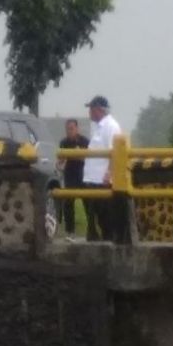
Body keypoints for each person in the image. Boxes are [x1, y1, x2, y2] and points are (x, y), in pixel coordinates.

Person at [82, 96, 121, 241]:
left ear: (99, 109)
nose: (89, 112)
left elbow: (115, 152)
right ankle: (98, 241)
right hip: (93, 180)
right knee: (95, 217)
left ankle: (108, 242)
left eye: (91, 109)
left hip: (102, 181)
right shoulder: (99, 127)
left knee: (105, 218)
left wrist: (109, 173)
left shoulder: (111, 126)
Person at [57, 118, 89, 238]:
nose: (69, 131)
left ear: (77, 129)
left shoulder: (84, 141)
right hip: (70, 174)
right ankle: (70, 231)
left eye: (71, 129)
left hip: (83, 174)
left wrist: (79, 154)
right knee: (68, 202)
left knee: (88, 203)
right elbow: (61, 161)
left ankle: (92, 230)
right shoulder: (63, 142)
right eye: (67, 129)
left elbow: (89, 158)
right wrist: (61, 162)